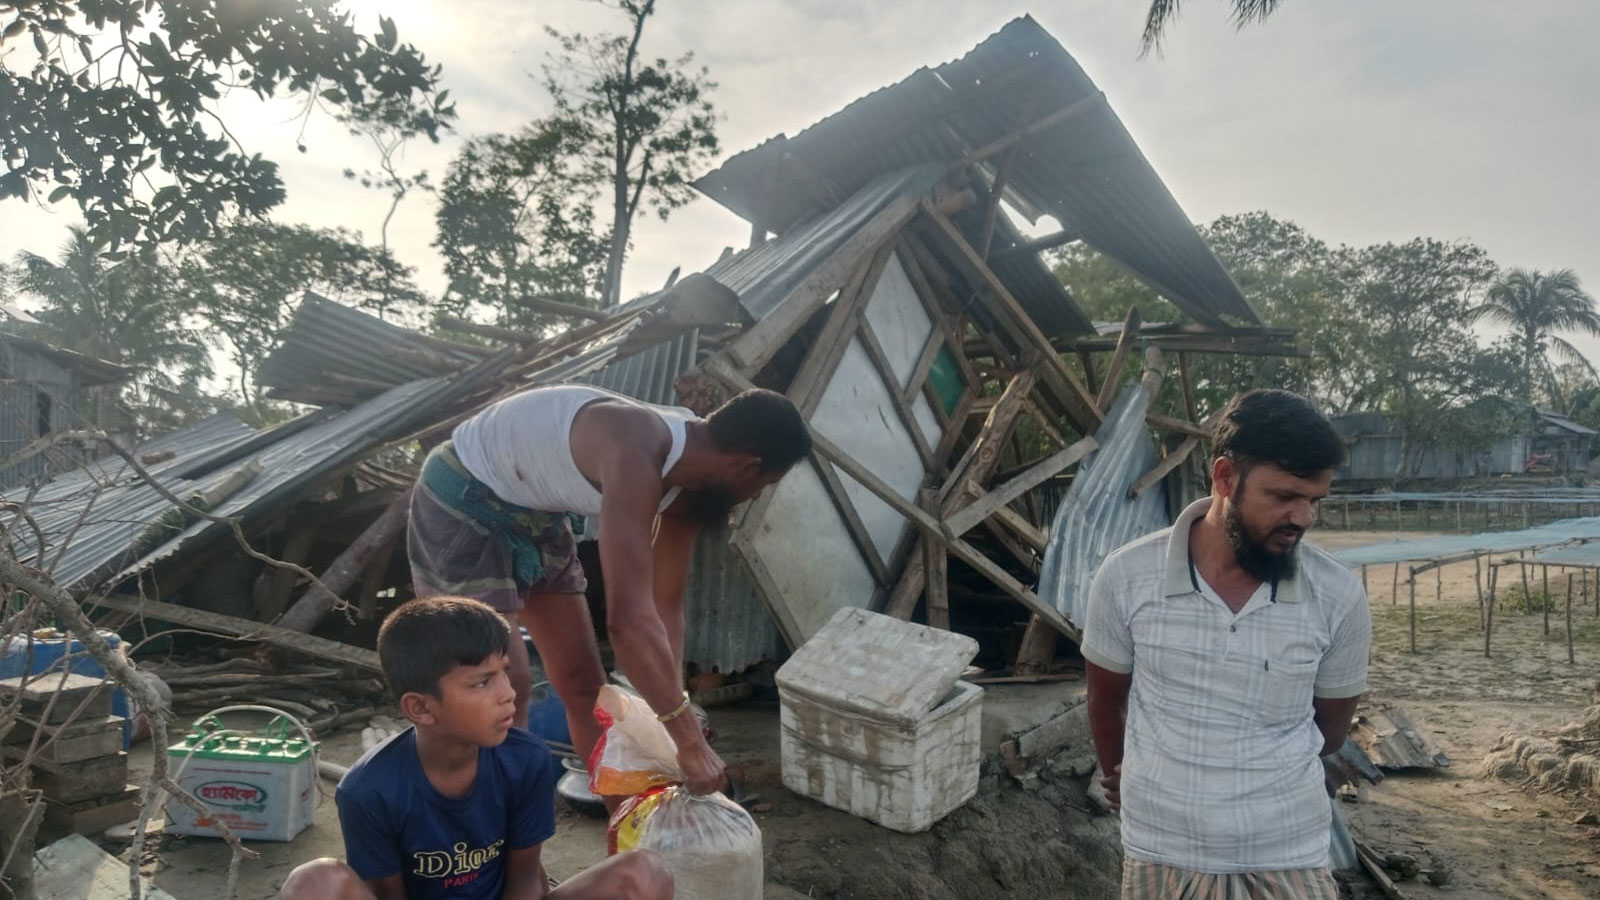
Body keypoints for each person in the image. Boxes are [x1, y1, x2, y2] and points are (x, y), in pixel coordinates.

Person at [407, 385, 810, 795]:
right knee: (505, 684)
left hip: (538, 515)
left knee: (586, 685)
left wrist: (672, 715)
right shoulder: (637, 445)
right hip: (463, 497)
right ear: (747, 466)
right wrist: (688, 740)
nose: (756, 495)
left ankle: (626, 820)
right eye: (765, 483)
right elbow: (629, 622)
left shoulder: (692, 485)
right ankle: (505, 836)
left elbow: (664, 607)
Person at [1082, 389, 1371, 900]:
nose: (1304, 518)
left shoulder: (1338, 596)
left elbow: (1328, 732)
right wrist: (1134, 780)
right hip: (1161, 852)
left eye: (1314, 500)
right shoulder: (1126, 577)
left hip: (1288, 854)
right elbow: (1106, 703)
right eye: (1284, 497)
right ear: (1224, 477)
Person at [279, 597, 674, 900]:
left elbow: (524, 879)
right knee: (315, 882)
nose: (508, 694)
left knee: (644, 872)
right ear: (420, 707)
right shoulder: (368, 791)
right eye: (481, 683)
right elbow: (388, 895)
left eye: (504, 671)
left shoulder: (525, 760)